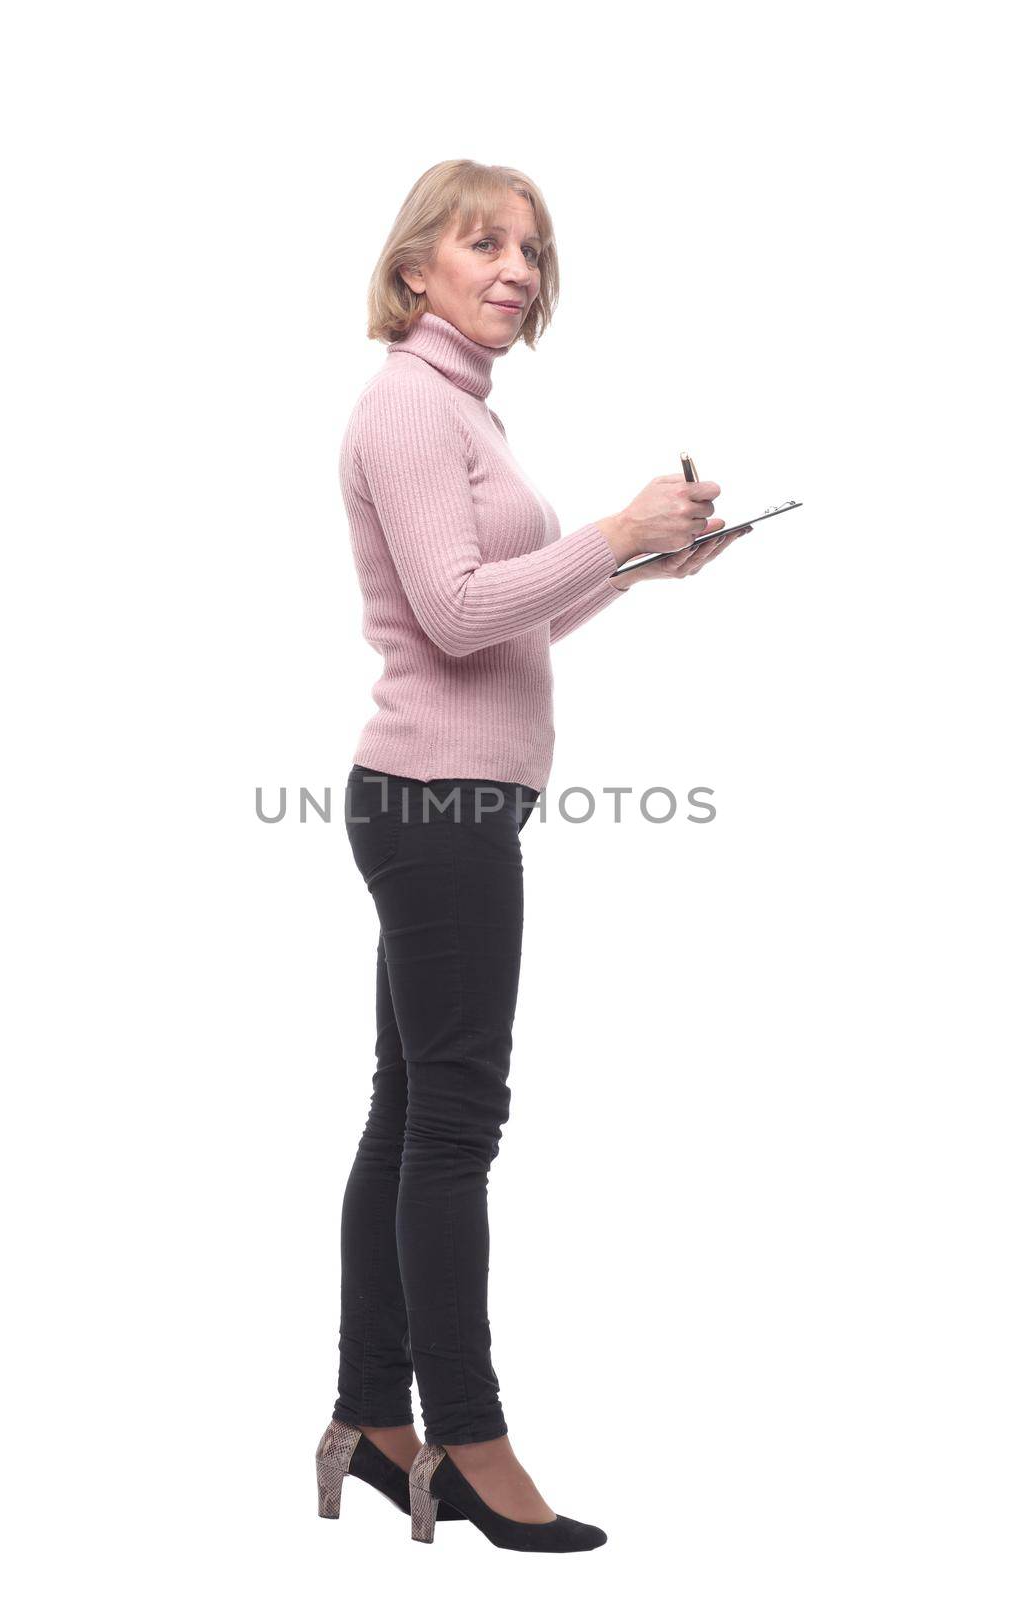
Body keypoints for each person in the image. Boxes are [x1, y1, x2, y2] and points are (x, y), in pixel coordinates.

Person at [315, 160, 743, 1553]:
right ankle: (471, 1441)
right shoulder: (405, 405)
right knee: (455, 1127)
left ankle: (376, 1423)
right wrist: (610, 530)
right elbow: (449, 614)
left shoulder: (461, 417)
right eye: (484, 242)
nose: (517, 268)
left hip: (451, 801)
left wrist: (630, 572)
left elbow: (506, 624)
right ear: (415, 267)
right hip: (435, 808)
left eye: (534, 251)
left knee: (409, 1113)